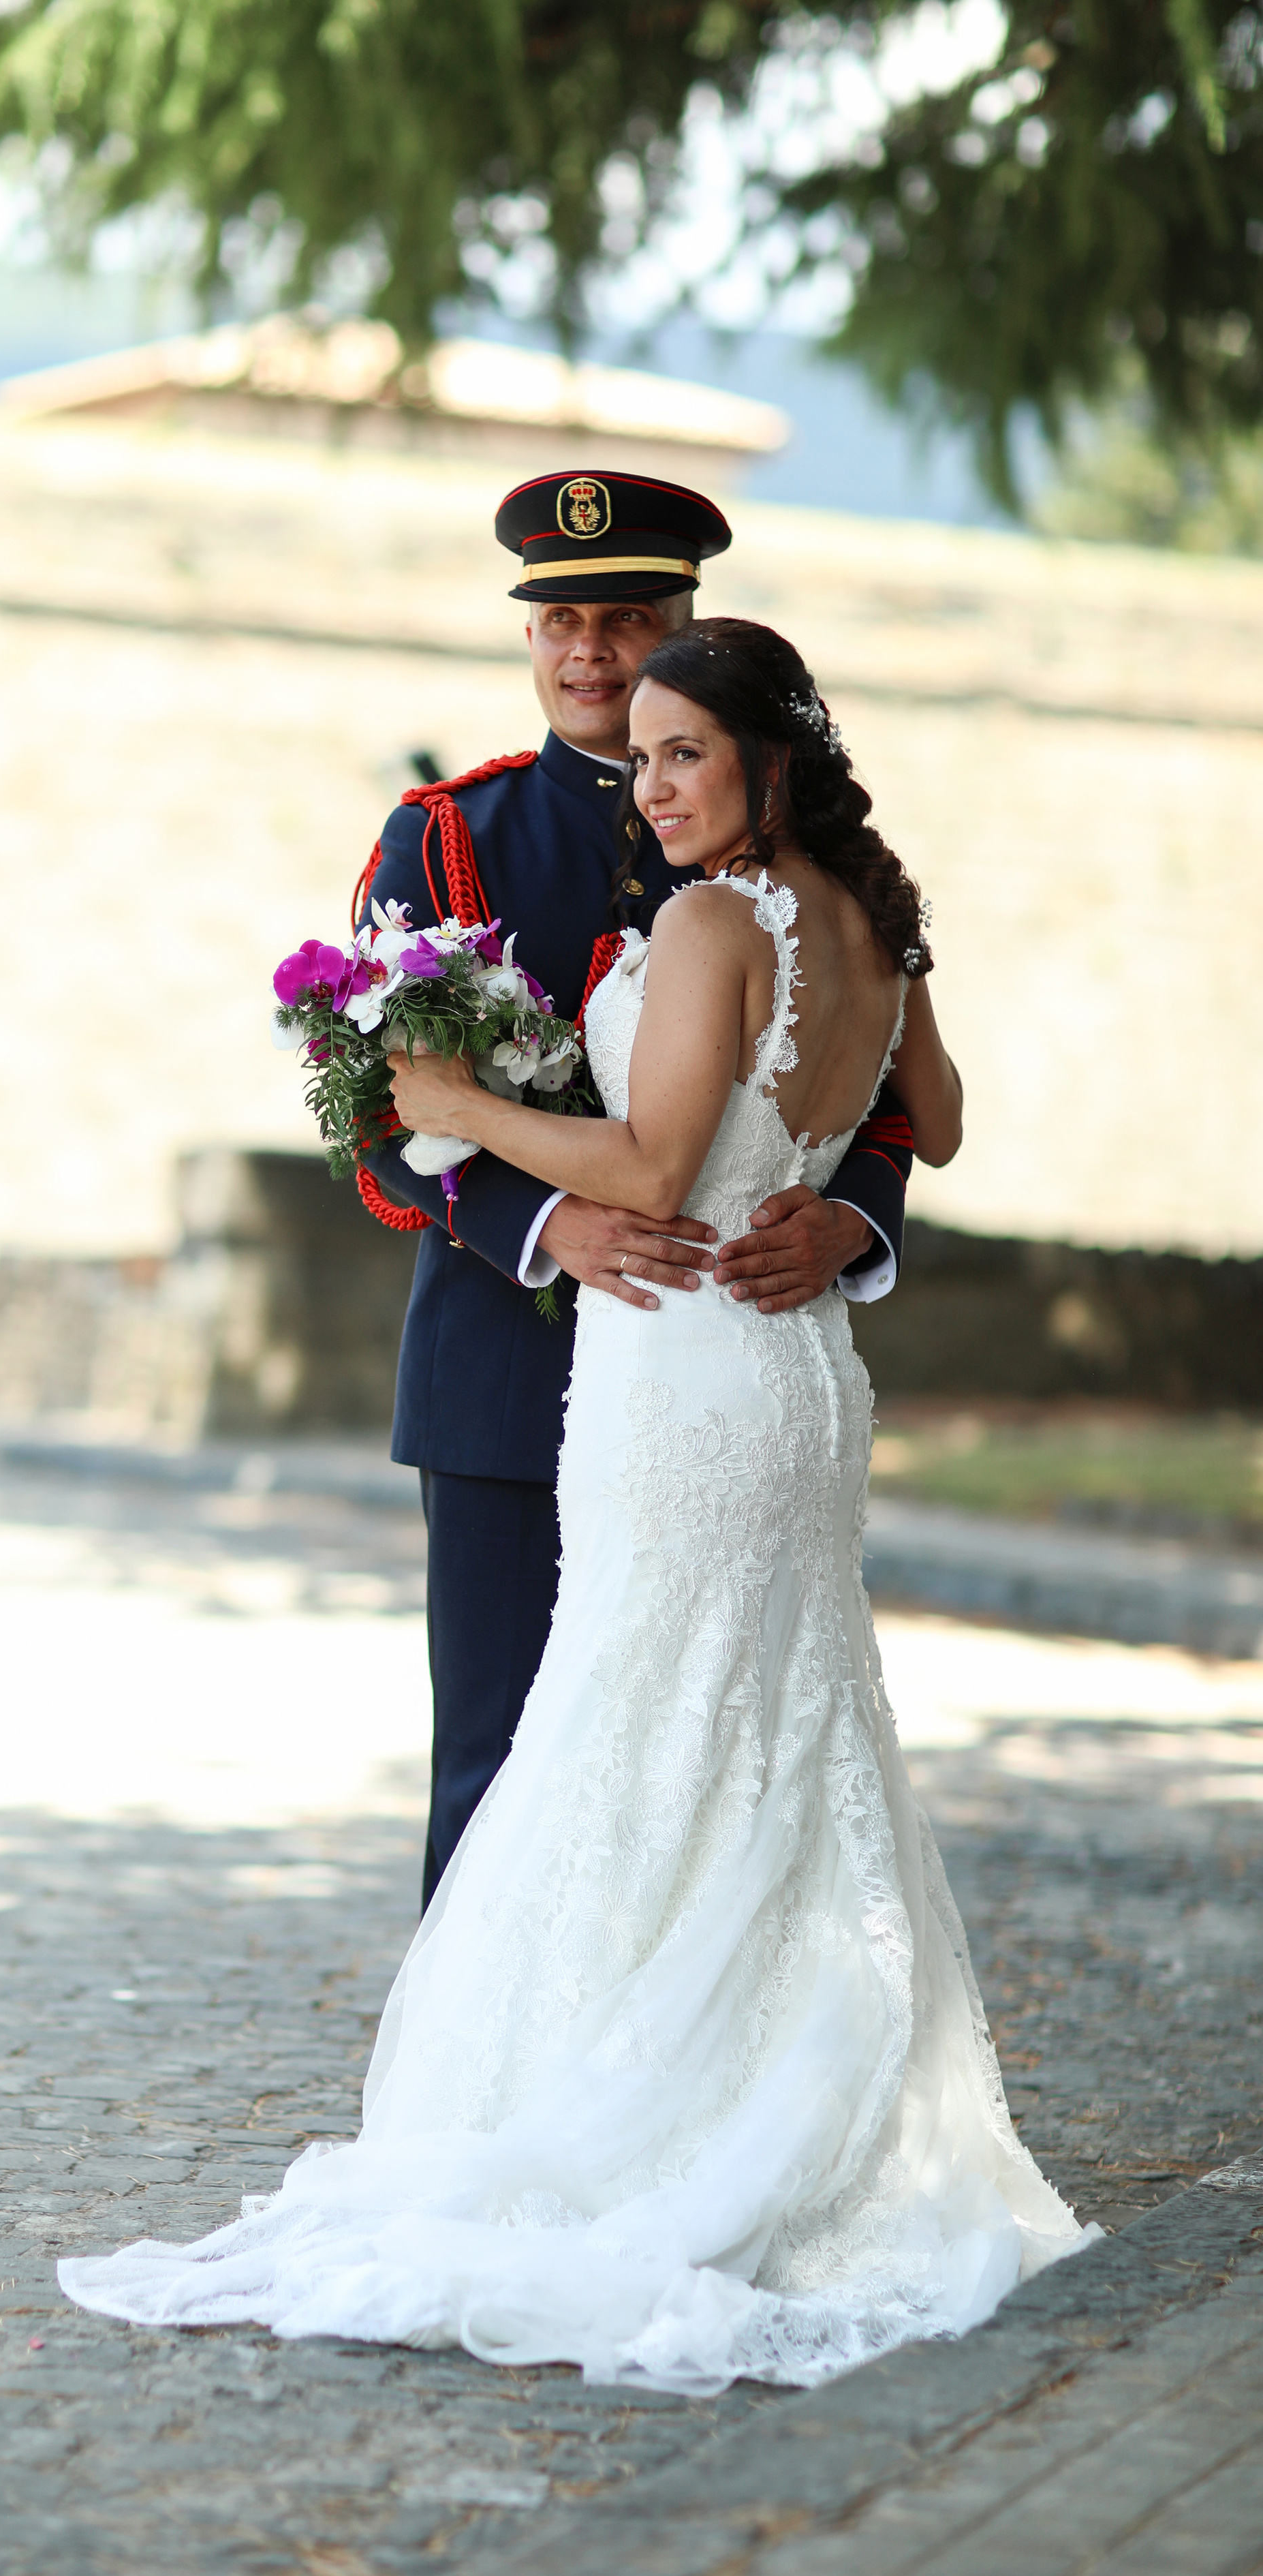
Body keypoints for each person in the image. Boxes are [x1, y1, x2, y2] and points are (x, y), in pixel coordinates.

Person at [59, 618, 1091, 2393]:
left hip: (680, 1363)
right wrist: (819, 1194)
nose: (653, 786)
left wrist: (454, 1099)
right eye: (648, 754)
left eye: (686, 754)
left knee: (633, 1726)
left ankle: (626, 2123)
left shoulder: (710, 923)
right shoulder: (871, 916)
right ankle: (781, 2114)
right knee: (766, 1733)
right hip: (797, 1379)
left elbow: (652, 1168)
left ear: (770, 762)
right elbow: (935, 1116)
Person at [350, 470, 916, 1905]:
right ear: (528, 637)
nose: (588, 651)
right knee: (500, 1761)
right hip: (503, 1359)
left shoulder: (798, 858)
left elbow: (887, 1083)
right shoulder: (449, 839)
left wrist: (848, 1217)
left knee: (713, 1756)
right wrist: (549, 1222)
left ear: (684, 626)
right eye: (560, 622)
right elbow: (374, 1101)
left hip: (720, 1353)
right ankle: (489, 2045)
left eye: (625, 619)